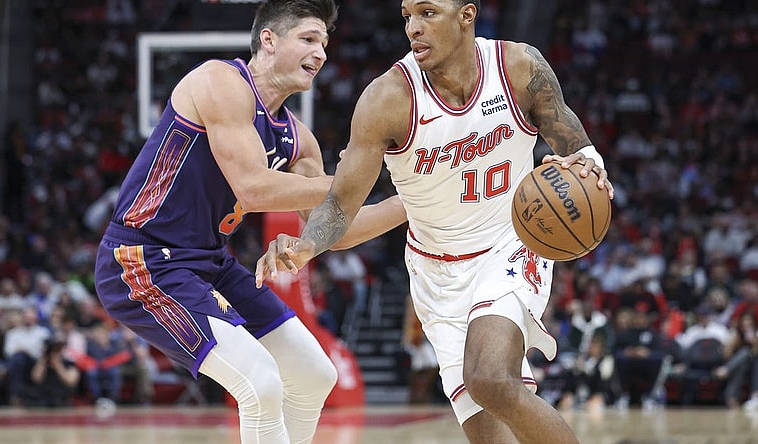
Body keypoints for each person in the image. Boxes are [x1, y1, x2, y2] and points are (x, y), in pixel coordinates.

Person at [256, 1, 613, 442]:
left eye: (427, 13)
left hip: (510, 243)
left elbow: (573, 140)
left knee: (491, 379)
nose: (413, 28)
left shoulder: (518, 66)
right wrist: (305, 245)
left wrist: (590, 166)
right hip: (435, 272)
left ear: (466, 15)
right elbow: (340, 204)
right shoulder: (388, 98)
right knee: (488, 432)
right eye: (407, 15)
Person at [93, 1, 404, 442]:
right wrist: (353, 179)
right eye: (309, 39)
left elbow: (336, 230)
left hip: (210, 264)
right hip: (142, 259)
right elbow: (253, 189)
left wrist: (411, 201)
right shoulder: (219, 81)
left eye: (325, 44)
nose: (321, 54)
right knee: (259, 382)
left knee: (315, 374)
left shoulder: (300, 139)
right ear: (269, 39)